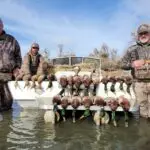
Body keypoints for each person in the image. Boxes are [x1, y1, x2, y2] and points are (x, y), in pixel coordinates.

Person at [121, 24, 150, 119]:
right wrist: (132, 64)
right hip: (138, 84)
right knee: (142, 109)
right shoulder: (131, 49)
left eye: (145, 33)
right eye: (141, 33)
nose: (143, 35)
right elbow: (122, 64)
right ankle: (145, 130)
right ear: (138, 35)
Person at [0, 18, 22, 111]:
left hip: (7, 76)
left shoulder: (11, 40)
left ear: (2, 26)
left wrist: (17, 68)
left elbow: (18, 56)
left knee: (7, 103)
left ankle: (7, 124)